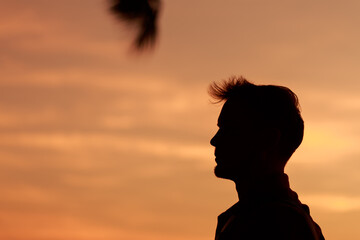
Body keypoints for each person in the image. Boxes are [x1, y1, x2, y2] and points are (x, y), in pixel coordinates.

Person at [209, 76, 325, 240]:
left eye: (230, 130)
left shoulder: (277, 222)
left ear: (268, 140)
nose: (214, 140)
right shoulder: (266, 215)